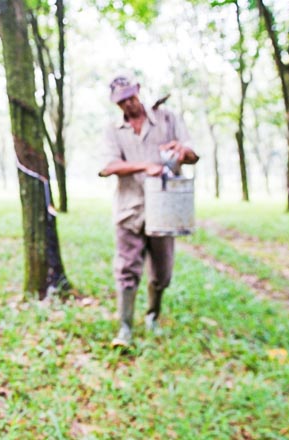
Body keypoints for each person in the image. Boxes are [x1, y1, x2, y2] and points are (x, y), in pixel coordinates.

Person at [98, 75, 199, 348]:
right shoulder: (113, 129)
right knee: (127, 269)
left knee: (162, 272)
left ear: (139, 91)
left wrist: (181, 151)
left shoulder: (167, 120)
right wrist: (144, 166)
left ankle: (153, 315)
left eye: (131, 97)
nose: (128, 104)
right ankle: (125, 327)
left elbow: (192, 154)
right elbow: (107, 166)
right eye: (121, 101)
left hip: (165, 211)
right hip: (129, 210)